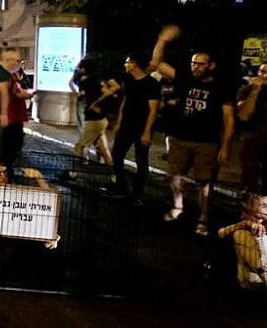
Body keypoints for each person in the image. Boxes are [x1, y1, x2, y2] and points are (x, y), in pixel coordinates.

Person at [152, 25, 236, 235]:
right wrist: (162, 41)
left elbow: (229, 118)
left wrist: (226, 145)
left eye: (201, 64)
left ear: (211, 66)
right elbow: (158, 64)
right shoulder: (185, 78)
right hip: (180, 139)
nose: (196, 67)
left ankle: (204, 217)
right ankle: (178, 205)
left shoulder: (221, 87)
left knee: (205, 183)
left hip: (207, 142)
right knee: (172, 175)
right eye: (193, 63)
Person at [103, 52, 160, 206]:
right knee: (116, 155)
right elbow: (125, 102)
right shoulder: (129, 81)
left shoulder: (151, 83)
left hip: (141, 127)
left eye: (127, 62)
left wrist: (147, 132)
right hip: (126, 125)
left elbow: (153, 110)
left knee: (141, 161)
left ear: (135, 64)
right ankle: (121, 187)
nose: (125, 65)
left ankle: (138, 195)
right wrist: (119, 123)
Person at [217, 192, 267, 290]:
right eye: (264, 206)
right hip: (255, 281)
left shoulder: (263, 223)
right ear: (247, 208)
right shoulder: (242, 231)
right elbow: (259, 268)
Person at [0, 49, 35, 167]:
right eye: (17, 60)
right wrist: (30, 94)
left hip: (12, 118)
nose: (19, 63)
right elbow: (17, 94)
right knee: (9, 151)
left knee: (9, 151)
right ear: (9, 61)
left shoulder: (8, 76)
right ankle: (6, 176)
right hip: (10, 118)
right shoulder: (6, 77)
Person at [72, 76, 119, 166]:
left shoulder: (96, 88)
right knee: (102, 148)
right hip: (100, 121)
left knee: (79, 146)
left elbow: (96, 107)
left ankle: (73, 172)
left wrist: (93, 104)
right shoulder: (100, 89)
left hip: (93, 121)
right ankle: (114, 173)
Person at [237, 63, 267, 190]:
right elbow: (244, 115)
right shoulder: (247, 90)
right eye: (262, 71)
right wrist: (255, 91)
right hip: (252, 139)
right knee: (249, 178)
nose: (264, 75)